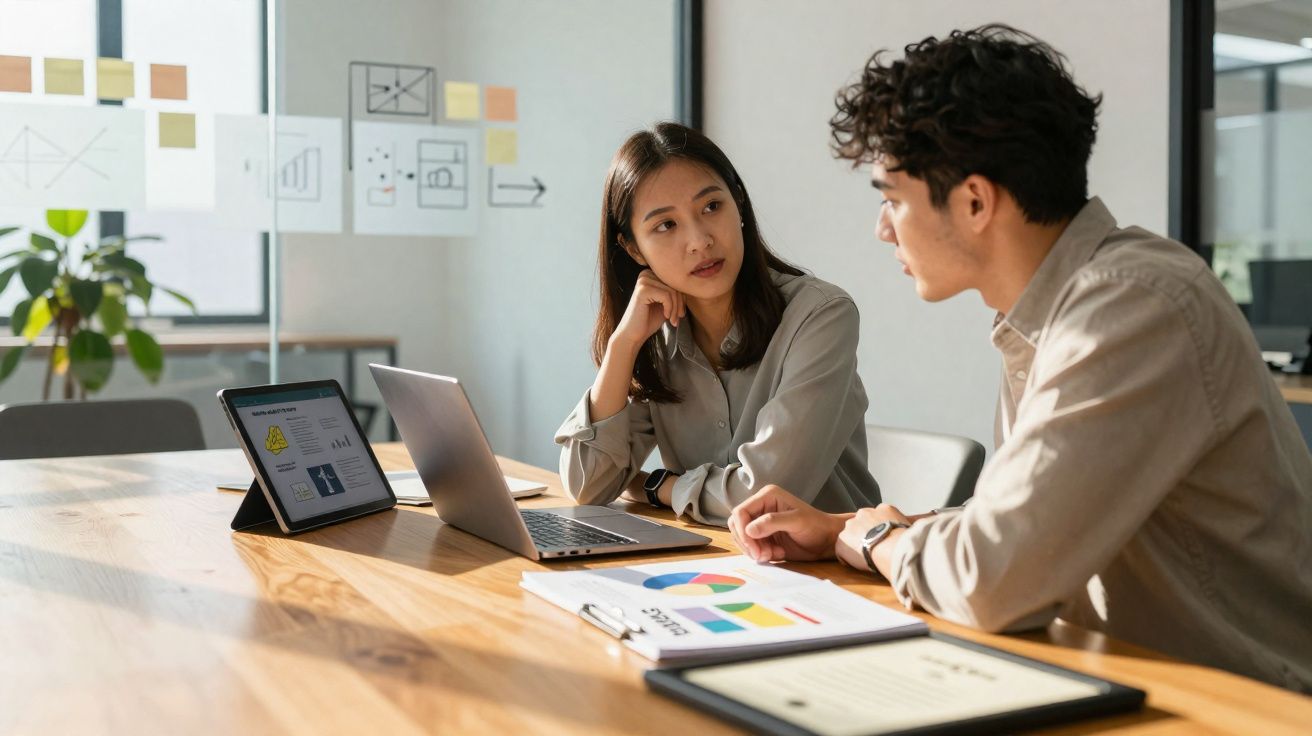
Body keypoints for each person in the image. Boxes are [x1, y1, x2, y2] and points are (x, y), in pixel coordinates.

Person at [728, 25, 1312, 692]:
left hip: (1256, 703)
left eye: (893, 200)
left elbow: (991, 577)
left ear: (975, 201)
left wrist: (873, 541)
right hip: (1134, 682)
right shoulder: (1058, 308)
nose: (882, 227)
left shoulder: (1131, 306)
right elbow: (1031, 522)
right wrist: (842, 527)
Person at [555, 122, 880, 526]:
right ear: (634, 249)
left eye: (711, 207)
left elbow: (766, 497)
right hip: (711, 556)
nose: (699, 241)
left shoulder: (820, 315)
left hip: (821, 562)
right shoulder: (657, 337)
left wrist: (656, 486)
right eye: (666, 225)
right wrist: (623, 344)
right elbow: (588, 485)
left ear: (738, 203)